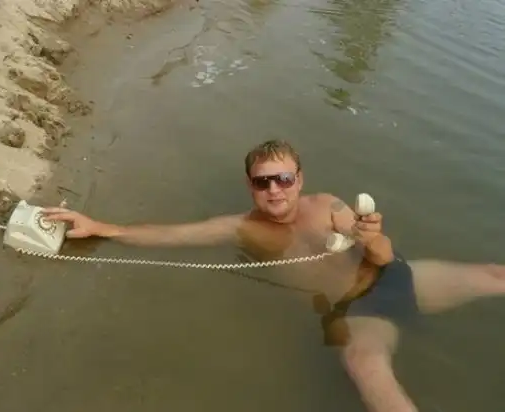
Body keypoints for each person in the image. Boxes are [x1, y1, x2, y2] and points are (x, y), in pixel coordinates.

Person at [43, 139, 505, 412]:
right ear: (250, 186)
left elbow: (382, 256)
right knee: (365, 363)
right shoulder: (240, 229)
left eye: (283, 178)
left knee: (494, 275)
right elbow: (171, 234)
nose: (275, 190)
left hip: (395, 277)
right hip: (358, 311)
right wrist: (102, 227)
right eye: (263, 181)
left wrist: (374, 237)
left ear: (299, 179)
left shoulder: (328, 206)